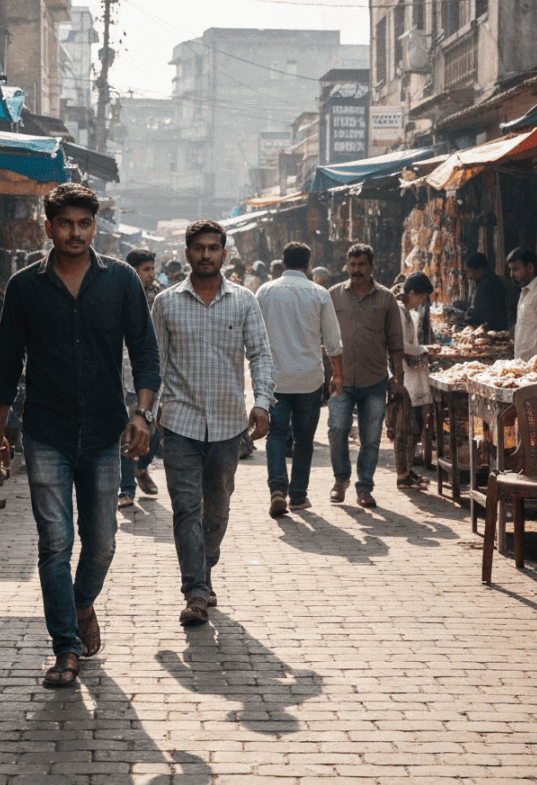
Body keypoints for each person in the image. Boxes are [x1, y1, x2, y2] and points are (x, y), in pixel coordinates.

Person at [0, 183, 160, 688]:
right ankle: (64, 646)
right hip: (46, 431)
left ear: (95, 227)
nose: (75, 233)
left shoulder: (121, 280)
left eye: (84, 224)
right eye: (66, 223)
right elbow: (6, 363)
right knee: (55, 542)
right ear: (49, 227)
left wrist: (143, 413)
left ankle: (82, 603)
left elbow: (145, 351)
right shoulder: (24, 286)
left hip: (107, 431)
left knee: (102, 543)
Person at [152, 220, 274, 627]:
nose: (206, 255)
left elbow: (259, 354)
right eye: (199, 248)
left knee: (217, 509)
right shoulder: (166, 303)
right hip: (180, 422)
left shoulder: (244, 301)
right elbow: (154, 362)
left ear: (224, 254)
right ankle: (195, 592)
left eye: (213, 248)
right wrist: (145, 413)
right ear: (187, 253)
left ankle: (205, 569)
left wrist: (261, 402)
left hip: (227, 425)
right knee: (186, 508)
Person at [256, 242, 342, 516]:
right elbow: (333, 341)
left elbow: (255, 338)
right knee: (304, 440)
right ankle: (298, 496)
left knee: (276, 436)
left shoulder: (265, 291)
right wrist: (337, 374)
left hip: (275, 380)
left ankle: (277, 490)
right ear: (308, 264)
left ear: (283, 262)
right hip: (309, 380)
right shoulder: (318, 293)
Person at [327, 244, 405, 509]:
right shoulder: (333, 295)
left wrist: (398, 379)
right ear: (347, 266)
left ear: (372, 267)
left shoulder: (386, 299)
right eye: (353, 264)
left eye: (362, 265)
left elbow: (396, 341)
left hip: (375, 380)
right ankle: (341, 480)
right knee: (337, 429)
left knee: (371, 437)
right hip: (341, 379)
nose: (357, 270)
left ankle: (364, 487)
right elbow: (323, 336)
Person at [119, 248, 163, 508]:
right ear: (132, 270)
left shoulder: (159, 297)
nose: (151, 275)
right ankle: (126, 489)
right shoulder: (118, 294)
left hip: (150, 375)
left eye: (152, 269)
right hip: (122, 372)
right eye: (145, 269)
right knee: (128, 431)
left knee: (153, 431)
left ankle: (141, 468)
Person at [388, 272, 434, 489]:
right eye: (422, 297)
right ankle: (402, 474)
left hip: (410, 373)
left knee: (411, 426)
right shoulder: (398, 310)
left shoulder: (407, 311)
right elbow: (398, 344)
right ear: (413, 293)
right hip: (401, 374)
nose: (422, 302)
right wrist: (423, 350)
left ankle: (406, 470)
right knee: (403, 428)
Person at [508, 248, 537, 361]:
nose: (511, 274)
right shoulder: (525, 292)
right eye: (510, 270)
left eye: (515, 269)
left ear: (530, 268)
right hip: (523, 365)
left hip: (536, 367)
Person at [463, 252, 508, 331]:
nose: (468, 277)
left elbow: (479, 312)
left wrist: (465, 320)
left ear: (481, 269)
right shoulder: (482, 282)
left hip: (491, 329)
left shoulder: (488, 284)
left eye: (470, 272)